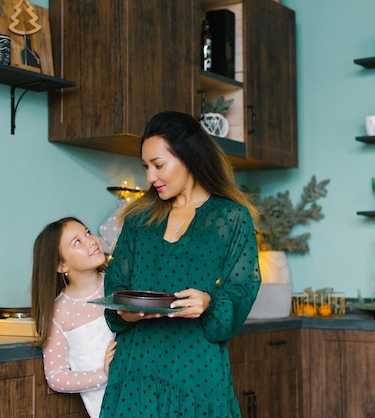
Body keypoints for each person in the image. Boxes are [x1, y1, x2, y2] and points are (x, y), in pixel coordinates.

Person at [101, 111, 262, 417]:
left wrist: (209, 303)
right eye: (146, 167)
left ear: (189, 156)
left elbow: (243, 288)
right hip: (137, 369)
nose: (150, 177)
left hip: (197, 371)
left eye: (158, 165)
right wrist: (126, 311)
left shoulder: (230, 218)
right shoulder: (138, 219)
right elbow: (115, 286)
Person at [31, 217, 117, 418]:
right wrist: (104, 374)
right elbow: (56, 377)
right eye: (77, 242)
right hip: (106, 409)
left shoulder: (118, 284)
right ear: (61, 265)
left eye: (87, 233)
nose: (91, 240)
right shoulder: (58, 314)